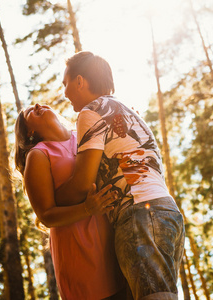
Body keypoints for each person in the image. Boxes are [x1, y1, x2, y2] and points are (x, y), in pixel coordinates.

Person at [55, 51, 185, 300]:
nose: (65, 92)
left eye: (66, 83)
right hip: (166, 212)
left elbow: (83, 182)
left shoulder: (91, 112)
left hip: (139, 214)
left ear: (80, 81)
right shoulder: (128, 112)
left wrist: (53, 199)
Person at [14, 103, 127, 300]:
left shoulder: (82, 134)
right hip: (80, 256)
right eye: (30, 111)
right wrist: (86, 209)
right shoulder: (39, 154)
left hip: (114, 244)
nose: (38, 105)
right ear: (30, 131)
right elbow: (46, 215)